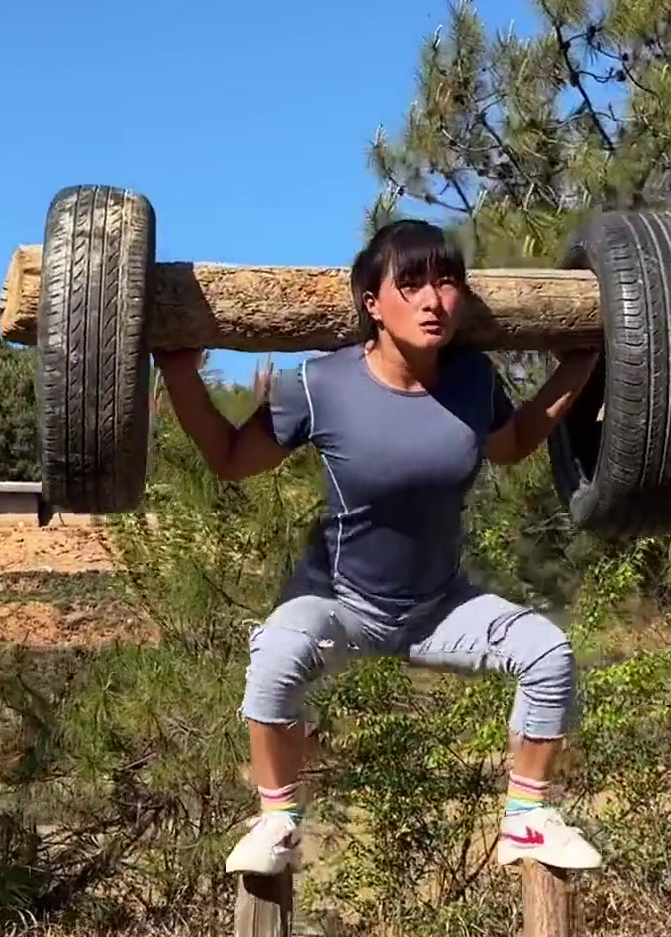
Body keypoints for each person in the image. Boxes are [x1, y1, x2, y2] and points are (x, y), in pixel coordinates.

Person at [153, 218, 603, 878]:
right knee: (276, 649)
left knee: (550, 653)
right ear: (372, 302)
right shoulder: (322, 384)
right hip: (340, 602)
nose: (433, 299)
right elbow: (227, 459)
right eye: (412, 283)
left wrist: (579, 364)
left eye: (447, 282)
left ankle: (526, 822)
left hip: (441, 606)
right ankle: (278, 820)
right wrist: (178, 372)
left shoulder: (473, 380)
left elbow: (511, 445)